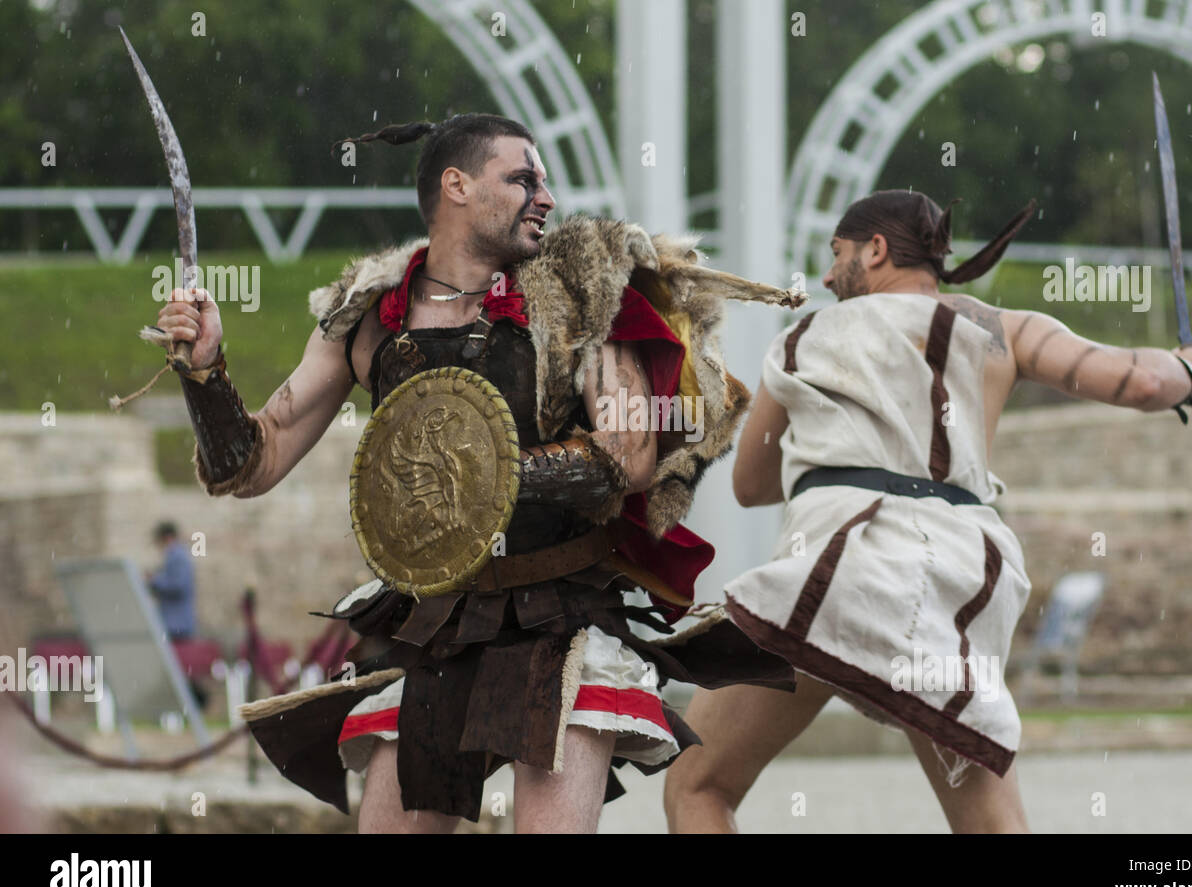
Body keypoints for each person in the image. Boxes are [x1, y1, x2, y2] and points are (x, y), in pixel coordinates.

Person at [153, 113, 799, 833]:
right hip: (434, 621)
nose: (545, 197)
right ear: (455, 185)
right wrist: (206, 369)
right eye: (523, 178)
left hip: (561, 616)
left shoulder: (578, 294)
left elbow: (627, 454)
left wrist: (485, 475)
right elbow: (252, 461)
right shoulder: (370, 319)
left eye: (545, 181)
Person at [662, 189, 1192, 834]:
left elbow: (749, 485)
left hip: (835, 577)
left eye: (836, 254)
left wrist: (839, 440)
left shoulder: (807, 336)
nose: (823, 275)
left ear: (875, 251)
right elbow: (1142, 381)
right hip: (956, 585)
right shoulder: (1003, 330)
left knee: (698, 785)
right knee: (992, 827)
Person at [146, 521, 196, 641]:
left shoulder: (178, 556)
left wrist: (154, 580)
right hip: (174, 623)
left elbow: (178, 585)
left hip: (177, 624)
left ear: (166, 538)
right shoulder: (175, 556)